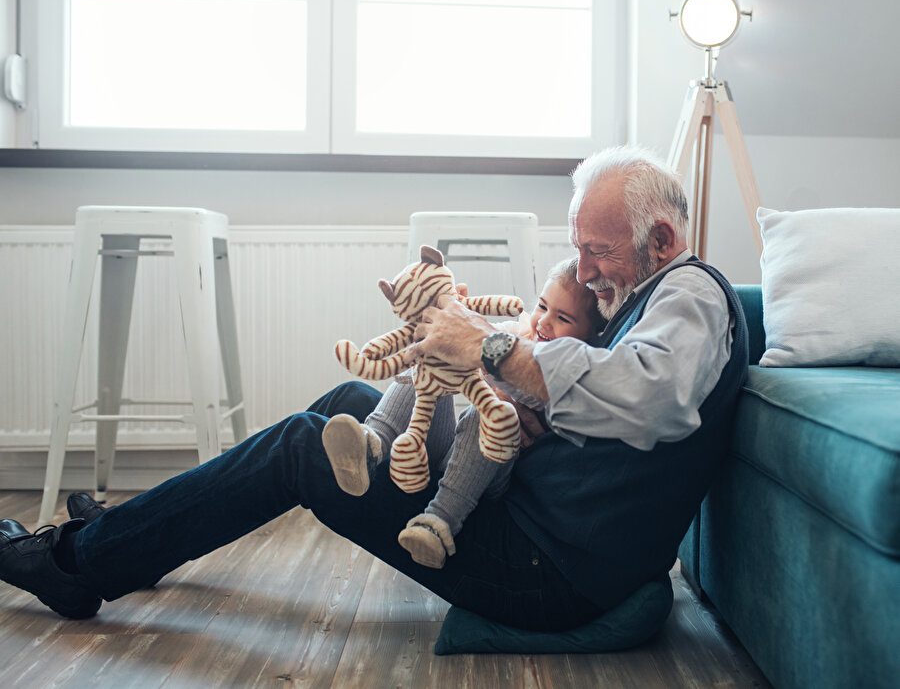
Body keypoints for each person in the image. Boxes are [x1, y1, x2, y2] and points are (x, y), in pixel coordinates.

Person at [0, 145, 748, 634]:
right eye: (577, 250)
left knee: (302, 449)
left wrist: (488, 350)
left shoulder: (692, 293)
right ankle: (138, 539)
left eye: (598, 252)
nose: (582, 272)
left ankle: (76, 566)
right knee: (346, 406)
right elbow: (581, 381)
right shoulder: (642, 295)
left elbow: (653, 396)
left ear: (663, 240)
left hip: (545, 567)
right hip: (527, 514)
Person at [322, 256, 607, 569]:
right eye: (542, 306)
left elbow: (535, 397)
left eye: (562, 318)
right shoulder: (522, 332)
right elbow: (471, 339)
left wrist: (503, 379)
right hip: (451, 454)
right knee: (433, 356)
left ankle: (439, 521)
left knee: (487, 414)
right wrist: (453, 328)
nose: (543, 322)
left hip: (491, 475)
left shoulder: (571, 374)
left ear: (590, 336)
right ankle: (371, 442)